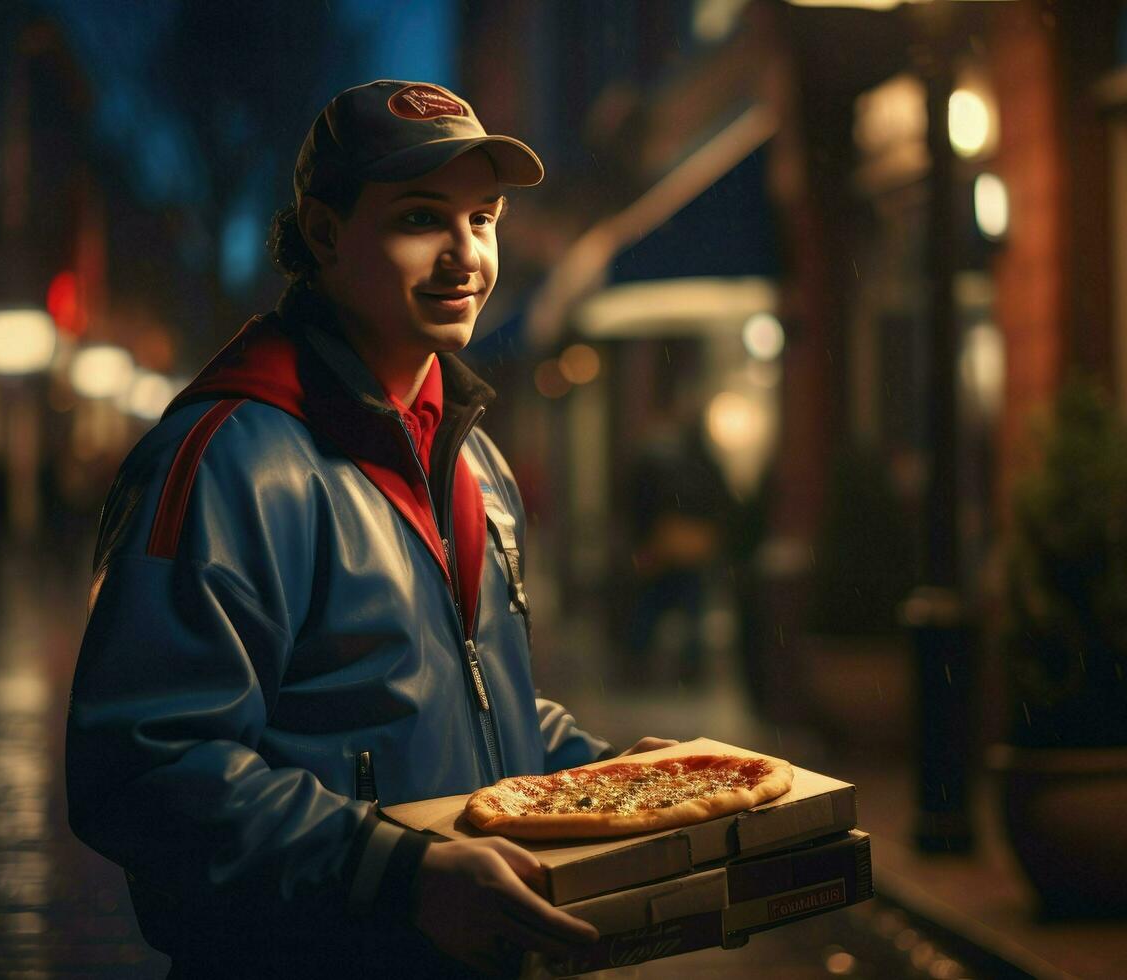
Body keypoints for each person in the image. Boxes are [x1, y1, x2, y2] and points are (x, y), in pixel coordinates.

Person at [65, 80, 674, 978]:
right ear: (324, 233)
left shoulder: (478, 463)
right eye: (423, 218)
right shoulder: (229, 461)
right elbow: (144, 764)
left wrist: (612, 776)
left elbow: (462, 704)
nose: (465, 255)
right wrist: (397, 875)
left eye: (485, 218)